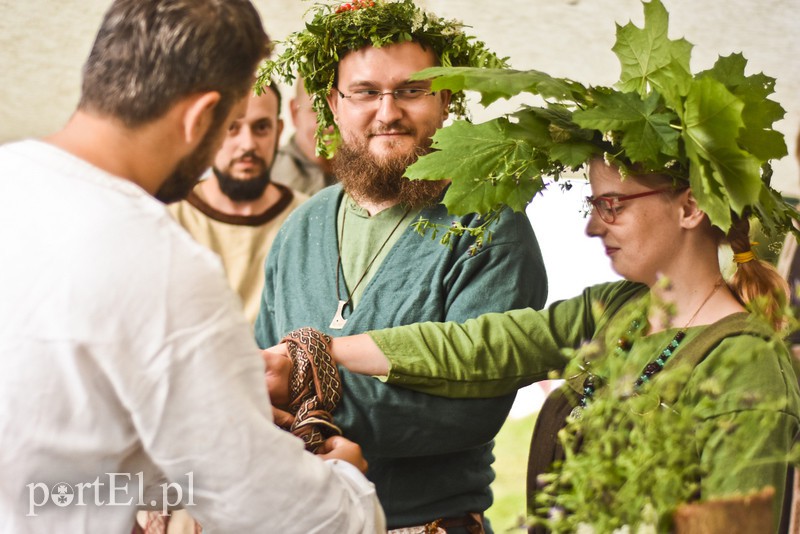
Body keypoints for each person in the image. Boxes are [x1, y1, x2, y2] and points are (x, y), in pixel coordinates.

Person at [264, 1, 800, 530]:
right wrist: (316, 355)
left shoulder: (748, 368)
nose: (593, 227)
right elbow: (483, 346)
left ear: (689, 207)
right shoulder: (613, 310)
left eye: (611, 205)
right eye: (594, 205)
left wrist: (316, 392)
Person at [0, 1, 384, 532]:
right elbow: (277, 511)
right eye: (228, 124)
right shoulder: (158, 261)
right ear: (202, 117)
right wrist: (347, 487)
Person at [256, 1, 548, 532]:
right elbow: (260, 375)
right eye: (365, 92)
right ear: (334, 104)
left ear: (445, 99)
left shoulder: (488, 226)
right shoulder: (301, 228)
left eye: (411, 90)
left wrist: (304, 396)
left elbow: (472, 403)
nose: (387, 112)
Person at [168, 81, 306, 324]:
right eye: (232, 127)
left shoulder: (306, 218)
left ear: (278, 130)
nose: (248, 144)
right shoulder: (169, 217)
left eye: (261, 127)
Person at [271, 76, 337, 195]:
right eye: (317, 110)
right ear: (294, 112)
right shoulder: (272, 177)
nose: (331, 126)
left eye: (339, 109)